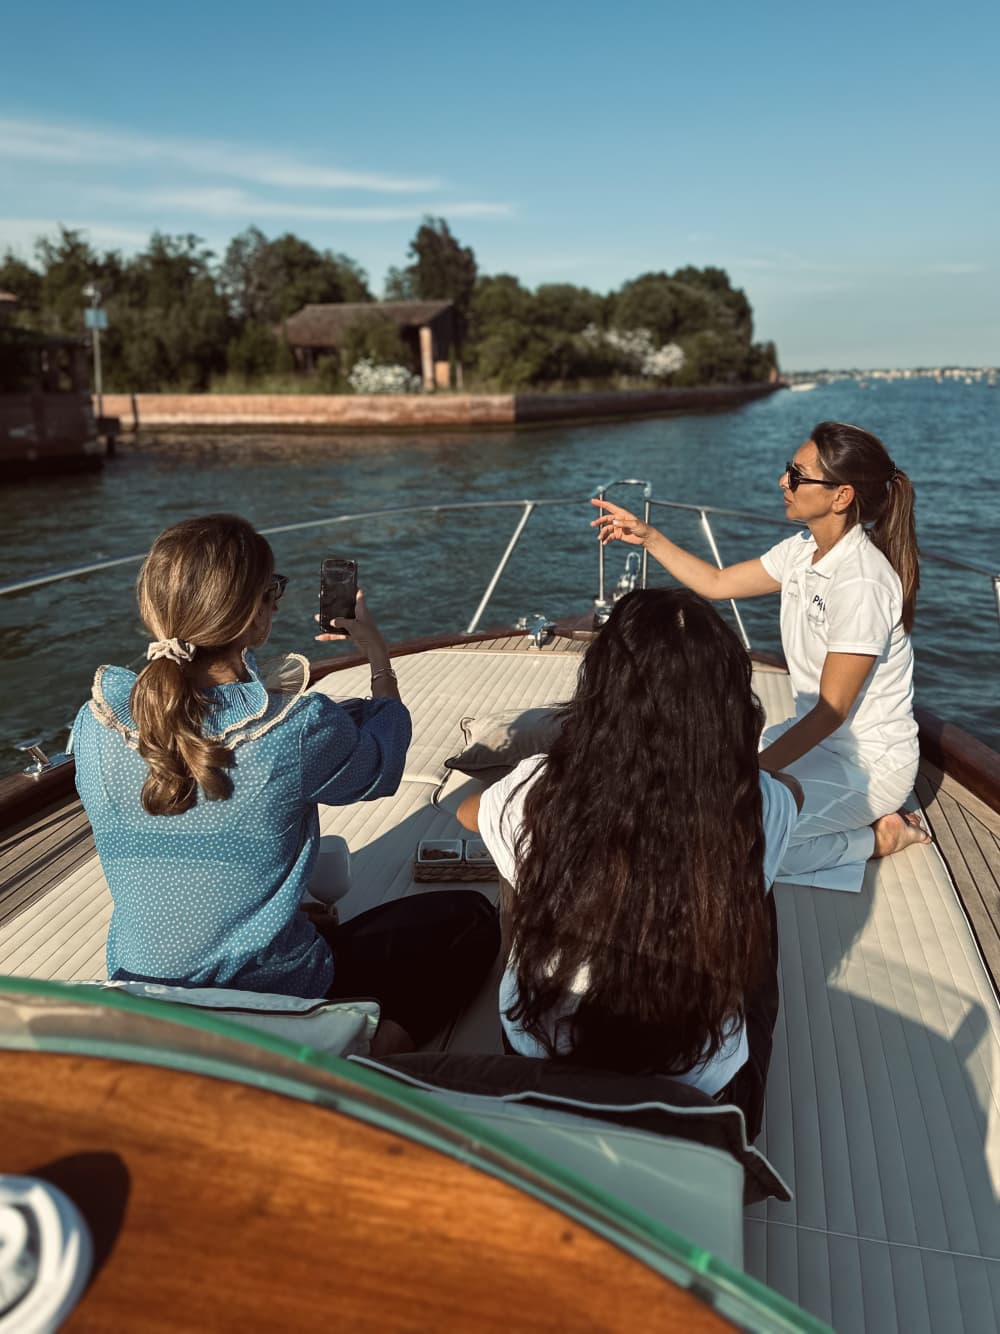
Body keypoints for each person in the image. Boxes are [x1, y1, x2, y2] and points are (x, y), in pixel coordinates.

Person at [72, 513, 498, 1055]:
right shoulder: (297, 727)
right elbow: (383, 763)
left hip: (142, 983)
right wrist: (377, 654)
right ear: (255, 617)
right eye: (274, 591)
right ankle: (380, 1051)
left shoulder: (96, 722)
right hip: (272, 992)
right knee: (471, 919)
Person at [459, 588, 803, 1135]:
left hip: (539, 1065)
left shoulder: (534, 788)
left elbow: (469, 813)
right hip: (705, 1100)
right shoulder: (756, 802)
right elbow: (793, 793)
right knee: (750, 883)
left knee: (524, 858)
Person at [592, 421, 930, 888]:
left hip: (867, 764)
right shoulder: (802, 551)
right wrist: (649, 537)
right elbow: (717, 583)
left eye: (797, 474)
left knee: (745, 847)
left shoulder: (862, 581)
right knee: (689, 783)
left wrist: (752, 773)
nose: (782, 482)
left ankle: (879, 838)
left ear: (841, 496)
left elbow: (831, 712)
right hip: (809, 738)